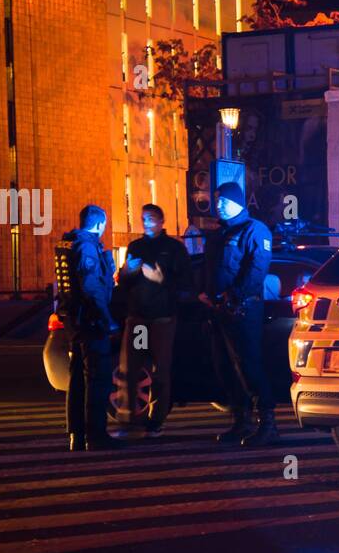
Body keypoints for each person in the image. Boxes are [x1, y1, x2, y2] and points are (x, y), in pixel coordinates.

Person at [203, 182, 278, 447]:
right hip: (218, 310)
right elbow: (210, 269)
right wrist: (204, 293)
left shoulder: (255, 230)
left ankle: (268, 424)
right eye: (217, 200)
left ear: (237, 201)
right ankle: (241, 421)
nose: (219, 205)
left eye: (223, 200)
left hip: (243, 308)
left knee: (248, 366)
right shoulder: (218, 234)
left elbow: (257, 269)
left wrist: (234, 295)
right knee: (224, 367)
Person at [115, 204, 192, 437]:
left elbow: (186, 283)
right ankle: (130, 419)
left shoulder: (174, 248)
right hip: (139, 319)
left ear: (161, 220)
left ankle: (156, 420)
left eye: (150, 218)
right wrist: (126, 272)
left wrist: (161, 279)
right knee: (132, 367)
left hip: (162, 319)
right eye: (143, 218)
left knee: (160, 371)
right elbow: (124, 283)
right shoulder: (135, 246)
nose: (146, 222)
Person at [58, 205, 121, 451]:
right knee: (98, 379)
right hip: (90, 321)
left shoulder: (71, 242)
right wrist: (107, 318)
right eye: (104, 224)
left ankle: (77, 435)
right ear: (98, 224)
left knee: (77, 379)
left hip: (75, 321)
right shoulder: (86, 247)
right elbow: (91, 287)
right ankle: (96, 435)